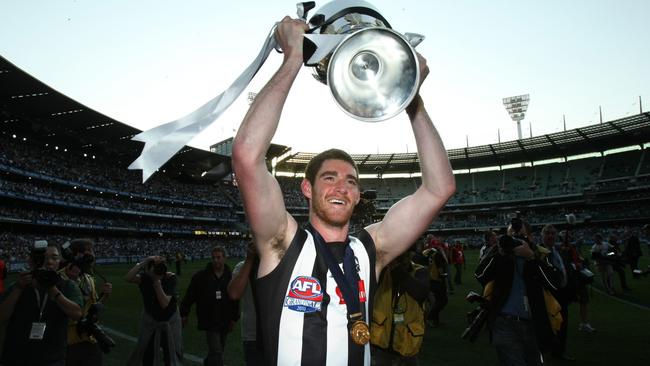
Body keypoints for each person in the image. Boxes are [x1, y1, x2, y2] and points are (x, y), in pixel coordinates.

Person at [231, 16, 455, 366]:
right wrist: (292, 58)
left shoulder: (370, 250)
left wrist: (413, 99)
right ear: (306, 188)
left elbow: (439, 188)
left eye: (351, 181)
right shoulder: (282, 242)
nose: (342, 187)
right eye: (330, 178)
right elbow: (246, 156)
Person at [474, 222, 563, 366]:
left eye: (521, 236)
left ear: (530, 237)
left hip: (534, 324)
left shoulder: (541, 253)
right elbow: (480, 275)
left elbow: (555, 284)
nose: (516, 239)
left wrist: (532, 258)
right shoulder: (500, 254)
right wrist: (499, 253)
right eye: (512, 236)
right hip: (504, 322)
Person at [0, 240, 83, 366]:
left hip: (52, 358)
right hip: (15, 357)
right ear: (32, 261)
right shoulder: (19, 285)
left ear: (59, 262)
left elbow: (77, 314)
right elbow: (1, 317)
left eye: (54, 258)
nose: (49, 262)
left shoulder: (67, 285)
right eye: (43, 258)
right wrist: (19, 288)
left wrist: (52, 288)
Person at [180, 246, 239, 366]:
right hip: (209, 319)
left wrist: (234, 318)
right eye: (213, 258)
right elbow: (190, 295)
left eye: (218, 257)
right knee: (217, 351)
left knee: (218, 349)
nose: (215, 260)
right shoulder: (200, 277)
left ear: (224, 258)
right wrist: (184, 313)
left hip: (225, 319)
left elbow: (235, 299)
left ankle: (207, 363)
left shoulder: (231, 277)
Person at [58, 239, 113, 366]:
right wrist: (72, 280)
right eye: (89, 251)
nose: (93, 255)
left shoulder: (88, 279)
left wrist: (104, 296)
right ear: (76, 255)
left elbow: (93, 307)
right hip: (69, 341)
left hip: (89, 339)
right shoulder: (60, 278)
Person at [370, 252, 429, 366]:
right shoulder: (382, 271)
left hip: (407, 339)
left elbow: (421, 293)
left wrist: (397, 269)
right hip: (383, 340)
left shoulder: (420, 271)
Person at [125, 256, 183, 366]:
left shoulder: (170, 278)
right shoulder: (145, 278)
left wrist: (156, 281)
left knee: (170, 355)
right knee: (147, 353)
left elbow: (164, 303)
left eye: (160, 266)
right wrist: (144, 262)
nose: (158, 270)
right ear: (148, 269)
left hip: (169, 321)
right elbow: (128, 278)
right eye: (155, 267)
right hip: (151, 320)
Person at [540, 225, 574, 361]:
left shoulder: (560, 250)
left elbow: (565, 269)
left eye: (553, 233)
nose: (550, 236)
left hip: (562, 293)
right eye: (547, 233)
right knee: (545, 325)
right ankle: (543, 352)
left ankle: (559, 351)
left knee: (562, 324)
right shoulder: (538, 251)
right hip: (547, 295)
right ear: (542, 236)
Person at [227, 243, 263, 366]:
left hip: (276, 334)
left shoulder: (279, 265)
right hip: (252, 335)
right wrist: (249, 260)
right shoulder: (242, 267)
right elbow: (234, 293)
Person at [421, 246, 448, 327]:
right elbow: (440, 268)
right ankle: (429, 318)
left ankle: (435, 321)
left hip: (428, 278)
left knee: (436, 301)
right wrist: (443, 277)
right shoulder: (438, 254)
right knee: (443, 300)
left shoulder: (426, 252)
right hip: (437, 280)